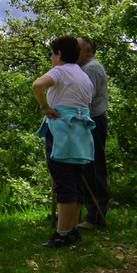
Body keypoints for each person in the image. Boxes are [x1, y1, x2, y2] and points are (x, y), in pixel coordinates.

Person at [31, 36, 94, 248]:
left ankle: (62, 234)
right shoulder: (84, 76)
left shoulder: (60, 70)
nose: (50, 57)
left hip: (61, 131)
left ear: (58, 54)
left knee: (64, 181)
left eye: (51, 53)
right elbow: (88, 106)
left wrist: (45, 108)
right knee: (76, 181)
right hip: (81, 133)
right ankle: (73, 229)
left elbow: (37, 86)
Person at [77, 37, 110, 230]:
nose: (74, 53)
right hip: (88, 120)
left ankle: (96, 216)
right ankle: (75, 210)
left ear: (88, 51)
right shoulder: (83, 68)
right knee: (82, 168)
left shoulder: (91, 69)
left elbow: (85, 100)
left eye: (78, 49)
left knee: (93, 167)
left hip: (92, 121)